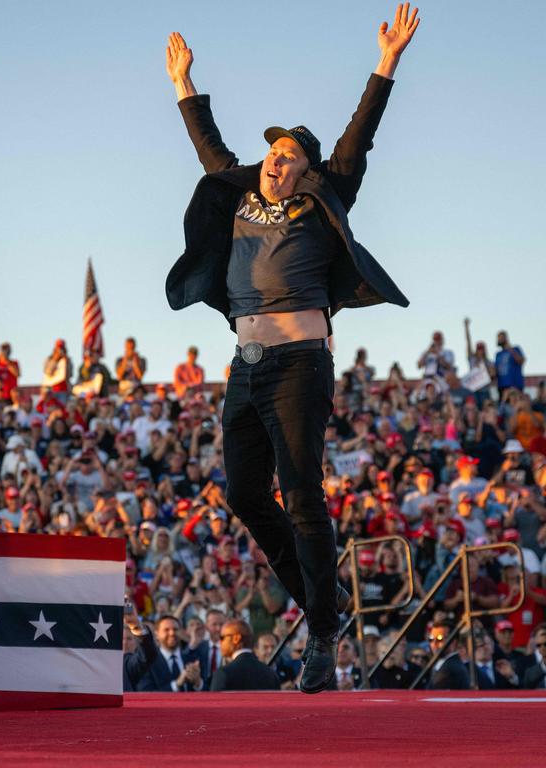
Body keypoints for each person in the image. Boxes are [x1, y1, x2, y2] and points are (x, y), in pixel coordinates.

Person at [163, 4, 420, 693]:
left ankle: (323, 638)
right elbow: (209, 150)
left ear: (306, 169)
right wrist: (185, 84)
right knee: (244, 492)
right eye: (273, 152)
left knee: (302, 493)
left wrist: (386, 62)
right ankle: (318, 604)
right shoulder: (241, 191)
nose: (277, 160)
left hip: (300, 364)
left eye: (290, 156)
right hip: (245, 369)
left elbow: (358, 138)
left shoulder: (323, 196)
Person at [136, 615, 204, 692]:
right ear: (156, 634)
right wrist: (176, 684)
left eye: (175, 629)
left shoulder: (193, 659)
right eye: (166, 630)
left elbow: (209, 692)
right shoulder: (147, 663)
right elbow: (146, 694)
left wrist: (198, 683)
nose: (172, 633)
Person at [210, 618, 279, 691]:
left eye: (222, 638)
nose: (220, 642)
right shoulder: (270, 674)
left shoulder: (224, 674)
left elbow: (215, 702)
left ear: (236, 638)